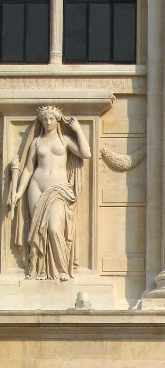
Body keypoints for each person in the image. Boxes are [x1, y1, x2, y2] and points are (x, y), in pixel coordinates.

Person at [9, 104, 91, 280]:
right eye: (44, 119)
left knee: (54, 228)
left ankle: (61, 269)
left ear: (57, 120)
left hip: (58, 189)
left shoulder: (66, 140)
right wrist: (18, 192)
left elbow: (86, 153)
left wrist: (77, 130)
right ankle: (40, 270)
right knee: (39, 229)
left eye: (51, 118)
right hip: (36, 187)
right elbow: (29, 169)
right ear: (41, 121)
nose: (48, 122)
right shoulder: (36, 142)